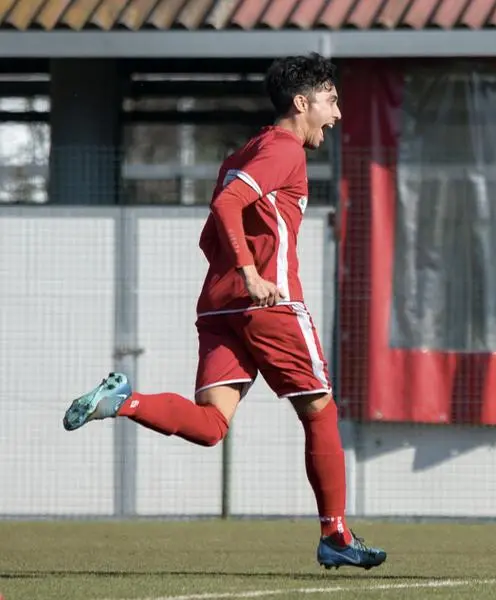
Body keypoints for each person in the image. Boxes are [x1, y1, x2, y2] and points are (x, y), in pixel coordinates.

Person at [62, 53, 386, 571]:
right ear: (301, 103)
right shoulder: (283, 150)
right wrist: (253, 273)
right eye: (331, 100)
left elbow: (211, 229)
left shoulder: (249, 148)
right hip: (268, 302)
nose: (338, 113)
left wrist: (233, 275)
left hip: (218, 307)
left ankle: (124, 402)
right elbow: (227, 206)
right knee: (321, 410)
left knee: (212, 425)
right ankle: (336, 535)